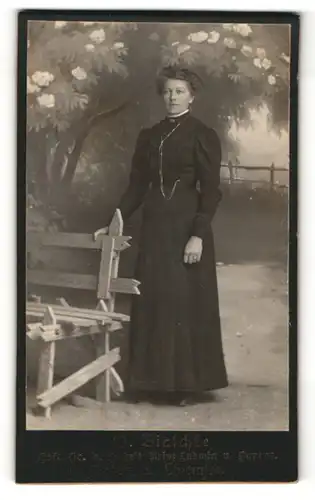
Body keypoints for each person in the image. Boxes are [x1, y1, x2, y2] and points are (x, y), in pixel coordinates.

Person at [96, 66, 228, 406]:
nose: (172, 97)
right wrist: (115, 220)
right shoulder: (149, 136)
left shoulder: (203, 134)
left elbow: (211, 191)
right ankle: (147, 381)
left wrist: (197, 235)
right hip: (154, 227)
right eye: (168, 91)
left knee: (181, 301)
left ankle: (185, 386)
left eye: (179, 91)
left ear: (192, 95)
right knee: (152, 297)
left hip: (186, 226)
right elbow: (137, 187)